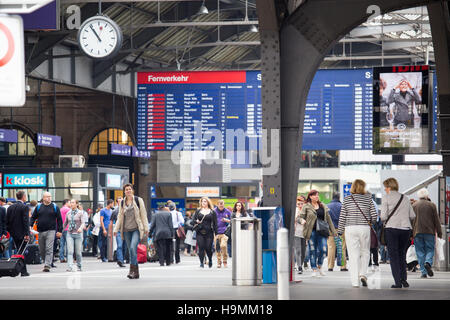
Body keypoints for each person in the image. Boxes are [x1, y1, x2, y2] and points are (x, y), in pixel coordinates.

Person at [338, 179, 377, 288]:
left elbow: (342, 216)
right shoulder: (368, 199)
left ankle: (355, 282)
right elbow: (374, 216)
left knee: (353, 255)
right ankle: (363, 274)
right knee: (365, 252)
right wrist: (370, 222)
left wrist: (340, 230)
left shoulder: (347, 199)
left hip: (350, 228)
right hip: (364, 227)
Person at [381, 178, 416, 288]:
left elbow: (383, 216)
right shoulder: (405, 198)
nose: (385, 189)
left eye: (385, 187)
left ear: (389, 187)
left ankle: (397, 282)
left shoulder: (386, 197)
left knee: (393, 256)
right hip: (405, 229)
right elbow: (412, 215)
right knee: (402, 254)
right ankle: (404, 279)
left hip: (392, 229)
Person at [113, 183, 149, 279]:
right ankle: (135, 272)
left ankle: (132, 271)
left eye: (129, 189)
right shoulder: (122, 203)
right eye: (126, 190)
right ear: (124, 192)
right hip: (126, 230)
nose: (128, 191)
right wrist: (116, 229)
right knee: (130, 251)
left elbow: (143, 215)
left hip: (136, 229)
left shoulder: (138, 200)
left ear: (132, 190)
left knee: (133, 248)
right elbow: (120, 217)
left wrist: (146, 228)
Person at [300, 190, 337, 277]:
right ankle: (314, 269)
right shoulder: (306, 206)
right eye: (315, 195)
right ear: (310, 196)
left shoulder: (322, 206)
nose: (317, 196)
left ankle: (319, 266)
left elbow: (329, 220)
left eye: (317, 195)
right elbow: (300, 217)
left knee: (323, 250)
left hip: (322, 232)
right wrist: (302, 220)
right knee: (313, 251)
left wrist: (334, 232)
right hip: (311, 231)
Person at [412, 188, 442, 279]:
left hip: (417, 231)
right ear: (426, 196)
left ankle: (423, 272)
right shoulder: (432, 205)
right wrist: (440, 232)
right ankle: (428, 263)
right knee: (430, 249)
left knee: (420, 252)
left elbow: (411, 220)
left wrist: (410, 233)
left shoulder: (414, 205)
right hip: (429, 232)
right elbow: (436, 220)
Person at [29, 192, 63, 272]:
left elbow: (59, 219)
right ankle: (46, 261)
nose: (49, 198)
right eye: (47, 197)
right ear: (43, 198)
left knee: (49, 248)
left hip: (51, 230)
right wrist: (30, 225)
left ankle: (47, 265)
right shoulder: (39, 207)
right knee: (42, 249)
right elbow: (33, 217)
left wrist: (60, 231)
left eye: (50, 196)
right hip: (40, 231)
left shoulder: (55, 207)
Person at [6, 191, 30, 276]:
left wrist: (9, 231)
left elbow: (7, 221)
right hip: (22, 233)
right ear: (23, 197)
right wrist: (27, 233)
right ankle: (23, 271)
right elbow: (25, 221)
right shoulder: (24, 207)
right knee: (22, 251)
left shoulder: (10, 207)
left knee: (18, 250)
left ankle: (19, 269)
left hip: (13, 233)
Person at [193, 197, 218, 268]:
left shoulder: (212, 212)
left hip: (209, 232)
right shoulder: (198, 211)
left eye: (205, 201)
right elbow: (193, 221)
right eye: (202, 202)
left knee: (208, 248)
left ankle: (210, 259)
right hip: (199, 232)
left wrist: (216, 234)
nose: (203, 203)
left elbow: (215, 223)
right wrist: (196, 221)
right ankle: (201, 262)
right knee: (201, 247)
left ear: (208, 202)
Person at [327, 192, 348, 272]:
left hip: (330, 229)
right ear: (339, 197)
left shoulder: (327, 206)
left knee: (331, 247)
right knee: (342, 247)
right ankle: (343, 267)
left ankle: (330, 266)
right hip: (341, 229)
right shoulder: (342, 206)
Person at [63, 199, 86, 272]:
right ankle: (70, 266)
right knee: (70, 251)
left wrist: (80, 228)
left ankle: (79, 266)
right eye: (70, 202)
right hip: (70, 234)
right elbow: (65, 223)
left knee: (78, 252)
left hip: (78, 234)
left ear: (76, 204)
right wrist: (60, 231)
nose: (71, 204)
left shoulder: (80, 213)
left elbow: (83, 223)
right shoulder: (68, 213)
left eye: (73, 202)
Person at [214, 200, 232, 268]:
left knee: (223, 246)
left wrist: (226, 220)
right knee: (217, 248)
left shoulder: (227, 211)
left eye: (222, 205)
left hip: (225, 232)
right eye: (220, 205)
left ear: (224, 205)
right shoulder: (214, 211)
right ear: (217, 205)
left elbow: (232, 220)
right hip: (216, 233)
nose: (221, 206)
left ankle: (225, 261)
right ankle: (219, 262)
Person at [111, 197, 126, 268]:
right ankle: (120, 260)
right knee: (119, 245)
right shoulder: (115, 211)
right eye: (119, 202)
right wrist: (110, 232)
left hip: (126, 230)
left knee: (125, 246)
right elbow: (111, 222)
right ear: (117, 203)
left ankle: (123, 259)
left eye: (122, 201)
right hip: (119, 231)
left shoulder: (127, 209)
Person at [294, 195, 307, 274]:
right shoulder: (295, 211)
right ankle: (299, 266)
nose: (300, 205)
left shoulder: (306, 211)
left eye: (301, 204)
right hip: (296, 233)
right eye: (298, 204)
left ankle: (301, 264)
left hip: (304, 233)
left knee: (303, 252)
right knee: (298, 250)